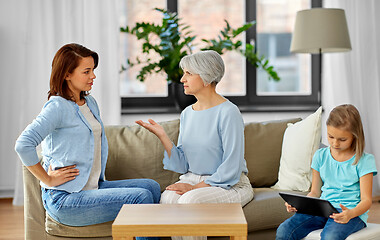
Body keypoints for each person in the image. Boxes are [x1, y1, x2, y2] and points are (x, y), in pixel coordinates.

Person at [14, 43, 161, 230]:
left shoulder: (90, 102)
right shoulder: (57, 107)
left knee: (152, 187)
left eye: (93, 70)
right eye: (86, 71)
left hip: (92, 188)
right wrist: (48, 179)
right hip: (65, 198)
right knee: (141, 198)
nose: (93, 76)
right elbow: (23, 144)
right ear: (67, 74)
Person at [136, 50, 254, 240]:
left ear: (206, 77)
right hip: (193, 178)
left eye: (189, 73)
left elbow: (232, 168)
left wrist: (194, 188)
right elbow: (182, 165)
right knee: (168, 198)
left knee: (190, 201)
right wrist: (163, 137)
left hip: (230, 184)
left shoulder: (228, 112)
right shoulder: (187, 114)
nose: (182, 79)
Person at [276, 104, 378, 240]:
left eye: (342, 139)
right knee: (284, 230)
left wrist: (350, 214)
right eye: (330, 137)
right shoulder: (320, 156)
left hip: (350, 213)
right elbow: (315, 192)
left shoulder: (364, 161)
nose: (335, 143)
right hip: (322, 210)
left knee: (330, 237)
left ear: (355, 136)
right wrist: (301, 205)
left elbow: (366, 201)